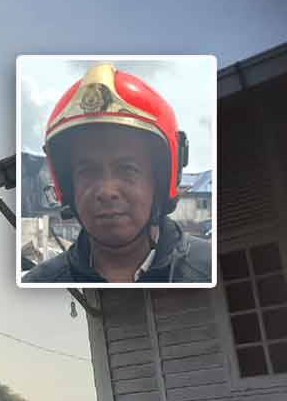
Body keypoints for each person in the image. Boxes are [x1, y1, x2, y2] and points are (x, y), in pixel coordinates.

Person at [22, 62, 211, 284]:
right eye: (88, 172)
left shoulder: (211, 269)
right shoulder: (41, 282)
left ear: (158, 182)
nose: (107, 191)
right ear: (69, 186)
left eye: (127, 169)